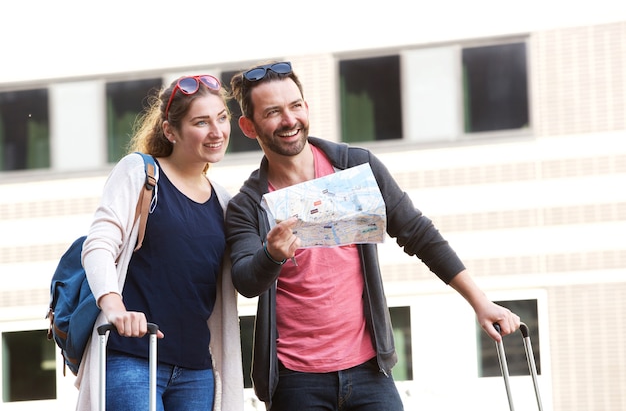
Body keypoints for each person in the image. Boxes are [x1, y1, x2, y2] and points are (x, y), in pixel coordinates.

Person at [225, 61, 521, 411]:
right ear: (248, 126)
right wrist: (271, 254)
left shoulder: (355, 167)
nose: (289, 120)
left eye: (295, 106)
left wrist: (480, 302)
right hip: (295, 380)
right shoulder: (247, 205)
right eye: (273, 112)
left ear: (306, 107)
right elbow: (245, 280)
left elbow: (418, 234)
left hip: (369, 370)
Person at [75, 74, 244, 411]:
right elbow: (98, 245)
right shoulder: (141, 173)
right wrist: (115, 308)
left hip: (197, 371)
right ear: (170, 131)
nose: (217, 131)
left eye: (221, 118)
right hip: (134, 359)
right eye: (201, 122)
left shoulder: (224, 203)